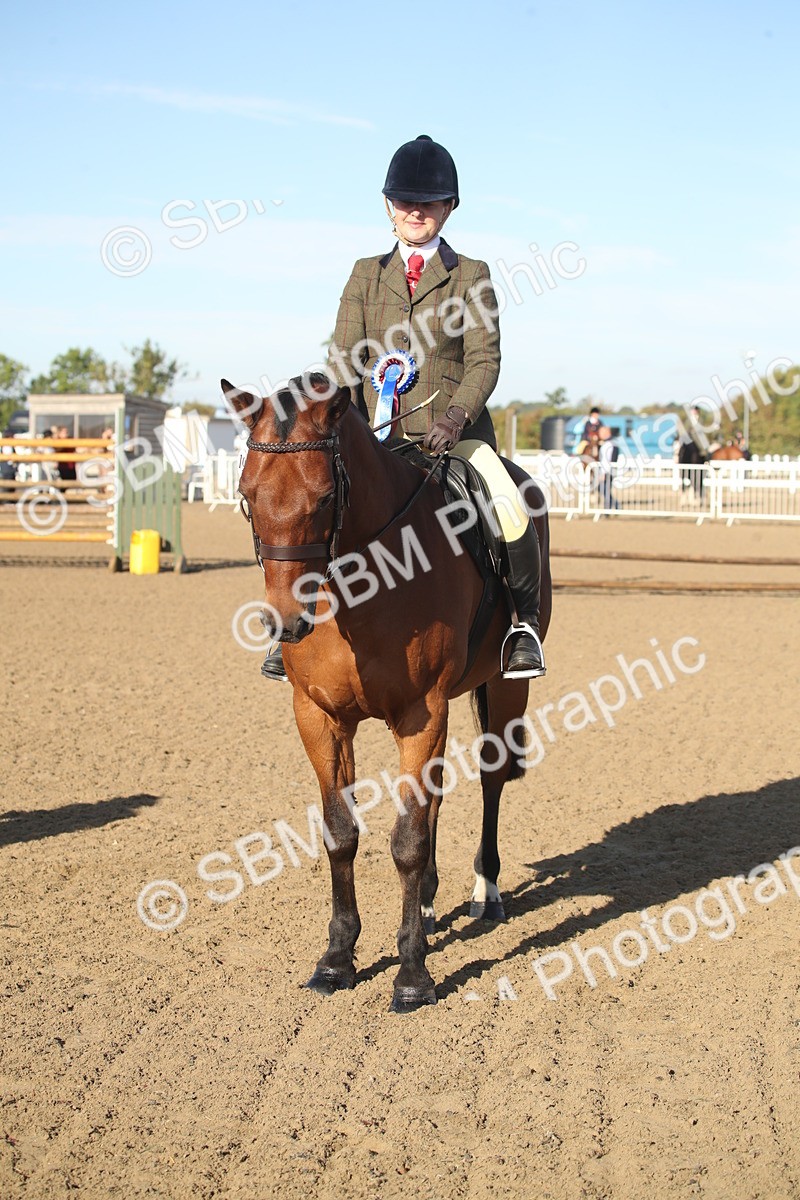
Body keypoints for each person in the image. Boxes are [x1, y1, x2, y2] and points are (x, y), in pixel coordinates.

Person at [261, 134, 546, 685]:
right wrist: (333, 421)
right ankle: (292, 632)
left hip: (452, 437)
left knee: (508, 500)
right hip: (373, 436)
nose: (416, 211)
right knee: (307, 502)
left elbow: (484, 362)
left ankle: (522, 626)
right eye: (405, 201)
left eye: (429, 202)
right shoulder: (366, 274)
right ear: (389, 207)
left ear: (448, 208)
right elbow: (344, 362)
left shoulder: (472, 276)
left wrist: (455, 417)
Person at [597, 426, 619, 511]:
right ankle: (615, 506)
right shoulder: (606, 444)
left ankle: (608, 509)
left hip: (607, 471)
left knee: (604, 490)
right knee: (603, 489)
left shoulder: (610, 444)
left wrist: (604, 473)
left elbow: (609, 460)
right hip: (605, 471)